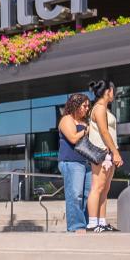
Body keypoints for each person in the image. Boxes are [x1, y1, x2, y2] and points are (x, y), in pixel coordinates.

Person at [87, 80, 123, 232]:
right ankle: (92, 223)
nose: (114, 94)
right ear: (108, 91)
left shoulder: (104, 109)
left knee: (105, 188)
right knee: (97, 187)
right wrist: (115, 152)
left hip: (107, 153)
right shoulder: (99, 109)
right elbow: (104, 131)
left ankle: (102, 222)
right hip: (101, 152)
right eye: (113, 91)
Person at [57, 93, 94, 233]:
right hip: (71, 162)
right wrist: (86, 131)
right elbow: (73, 138)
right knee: (75, 194)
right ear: (75, 105)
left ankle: (85, 224)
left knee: (87, 195)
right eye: (84, 105)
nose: (87, 109)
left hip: (86, 162)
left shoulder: (85, 122)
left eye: (88, 106)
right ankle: (76, 226)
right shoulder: (67, 119)